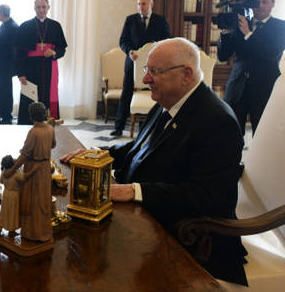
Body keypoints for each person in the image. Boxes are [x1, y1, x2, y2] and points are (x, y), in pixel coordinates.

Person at [61, 38, 247, 285]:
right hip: (148, 219)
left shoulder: (217, 121)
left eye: (155, 72)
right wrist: (96, 153)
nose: (146, 79)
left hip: (188, 240)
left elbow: (209, 196)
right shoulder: (169, 101)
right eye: (146, 70)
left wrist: (135, 191)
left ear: (186, 74)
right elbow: (139, 149)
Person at [217, 0, 285, 135]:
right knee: (230, 134)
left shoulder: (283, 27)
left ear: (273, 4)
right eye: (257, 2)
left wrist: (248, 34)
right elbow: (223, 56)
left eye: (265, 2)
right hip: (237, 87)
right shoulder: (240, 23)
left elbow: (270, 54)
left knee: (262, 134)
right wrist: (226, 31)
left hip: (264, 88)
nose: (261, 5)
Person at [111, 0, 171, 136]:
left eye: (143, 4)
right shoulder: (130, 20)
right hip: (133, 63)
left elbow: (168, 40)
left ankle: (154, 127)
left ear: (151, 4)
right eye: (138, 4)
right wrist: (129, 51)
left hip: (155, 66)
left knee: (155, 93)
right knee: (126, 93)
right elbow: (123, 41)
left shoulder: (160, 21)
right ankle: (118, 127)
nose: (140, 7)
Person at [3, 102, 55, 242]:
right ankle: (44, 232)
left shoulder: (33, 132)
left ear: (31, 115)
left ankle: (33, 233)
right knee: (43, 201)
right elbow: (53, 145)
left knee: (32, 202)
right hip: (45, 168)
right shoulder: (50, 128)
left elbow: (25, 155)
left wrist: (11, 170)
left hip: (33, 169)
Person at [15, 0, 67, 125]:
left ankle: (48, 123)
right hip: (30, 68)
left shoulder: (55, 26)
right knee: (30, 97)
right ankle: (27, 125)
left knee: (47, 97)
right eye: (38, 7)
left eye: (44, 7)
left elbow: (62, 48)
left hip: (49, 68)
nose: (41, 10)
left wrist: (54, 52)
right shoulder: (25, 26)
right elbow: (19, 52)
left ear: (48, 8)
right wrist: (20, 73)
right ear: (34, 8)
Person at [0, 155, 24, 236]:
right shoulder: (16, 174)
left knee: (4, 211)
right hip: (14, 195)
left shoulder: (4, 172)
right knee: (13, 212)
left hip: (6, 193)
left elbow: (1, 181)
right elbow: (25, 178)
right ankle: (11, 230)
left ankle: (0, 227)